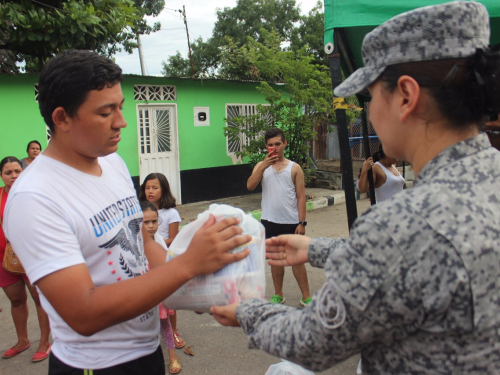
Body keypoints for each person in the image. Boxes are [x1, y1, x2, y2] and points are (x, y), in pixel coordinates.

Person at [211, 2, 500, 373]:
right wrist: (318, 248)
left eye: (370, 94)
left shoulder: (403, 223)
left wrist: (246, 311)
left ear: (407, 97)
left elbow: (313, 340)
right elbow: (410, 261)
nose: (371, 110)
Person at [3, 50, 251, 374]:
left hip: (147, 351)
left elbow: (142, 243)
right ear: (61, 118)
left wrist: (196, 290)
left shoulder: (112, 162)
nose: (122, 121)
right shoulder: (34, 198)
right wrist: (188, 265)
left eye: (120, 106)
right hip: (96, 365)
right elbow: (84, 312)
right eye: (106, 112)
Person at [247, 128, 311, 306]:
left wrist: (302, 222)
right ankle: (278, 294)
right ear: (266, 146)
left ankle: (306, 296)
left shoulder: (294, 168)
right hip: (269, 221)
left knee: (296, 260)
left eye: (277, 144)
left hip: (291, 222)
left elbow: (301, 197)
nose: (274, 148)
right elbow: (250, 185)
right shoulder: (262, 166)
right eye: (270, 145)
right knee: (276, 260)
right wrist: (264, 166)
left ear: (284, 144)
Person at [0, 156, 51, 362]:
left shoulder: (33, 193)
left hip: (32, 257)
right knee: (16, 300)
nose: (13, 176)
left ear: (24, 171)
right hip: (5, 260)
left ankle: (44, 342)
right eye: (8, 172)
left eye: (17, 171)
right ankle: (22, 341)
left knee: (40, 300)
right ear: (1, 175)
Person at [139, 173, 185, 349]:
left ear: (163, 190)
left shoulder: (171, 212)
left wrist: (152, 241)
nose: (150, 191)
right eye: (147, 187)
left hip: (165, 258)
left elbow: (172, 238)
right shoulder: (140, 210)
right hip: (146, 261)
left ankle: (173, 330)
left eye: (155, 187)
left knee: (169, 301)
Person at [140, 201, 181, 374]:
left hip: (159, 292)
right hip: (142, 293)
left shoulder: (159, 242)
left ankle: (172, 357)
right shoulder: (134, 243)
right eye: (146, 222)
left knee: (165, 325)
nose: (150, 226)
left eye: (154, 222)